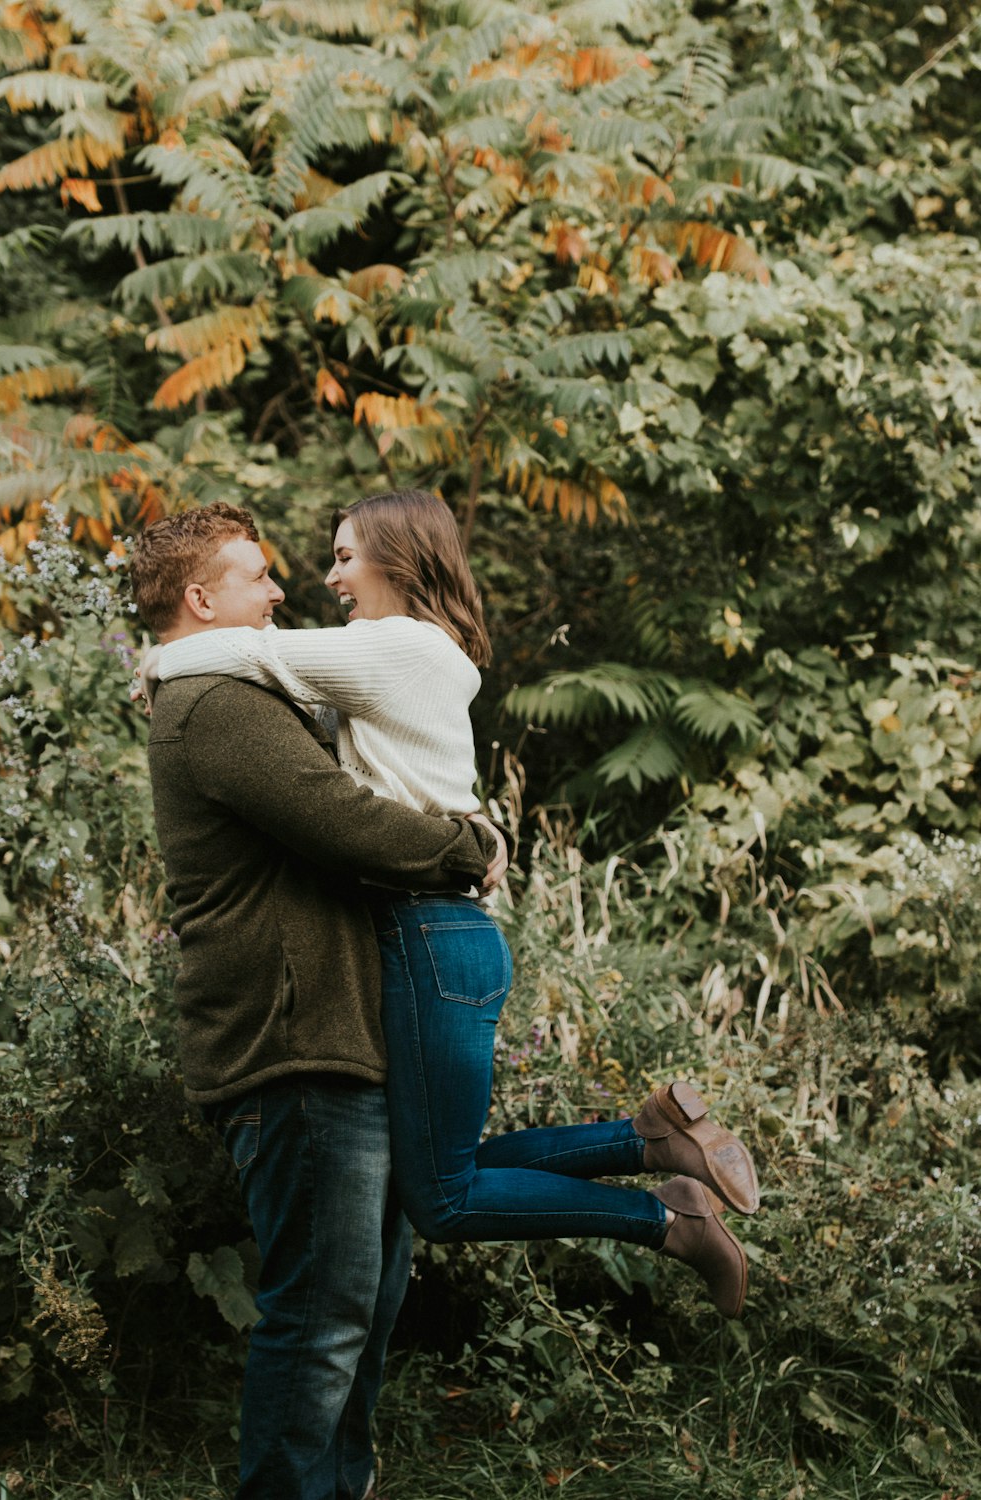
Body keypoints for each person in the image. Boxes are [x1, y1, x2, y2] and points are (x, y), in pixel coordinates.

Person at [147, 490, 760, 1323]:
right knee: (434, 1174)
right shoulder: (399, 650)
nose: (324, 578)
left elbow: (253, 658)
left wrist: (151, 662)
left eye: (344, 557)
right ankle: (648, 1142)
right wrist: (473, 823)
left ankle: (668, 1217)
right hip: (430, 930)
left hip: (429, 927)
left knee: (441, 1197)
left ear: (398, 561)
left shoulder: (394, 645)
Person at [128, 501, 506, 1500]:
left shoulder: (233, 684)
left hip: (335, 1037)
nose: (280, 590)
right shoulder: (216, 705)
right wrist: (474, 845)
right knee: (322, 1318)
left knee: (363, 1308)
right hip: (290, 1045)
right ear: (202, 598)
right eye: (257, 577)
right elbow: (340, 820)